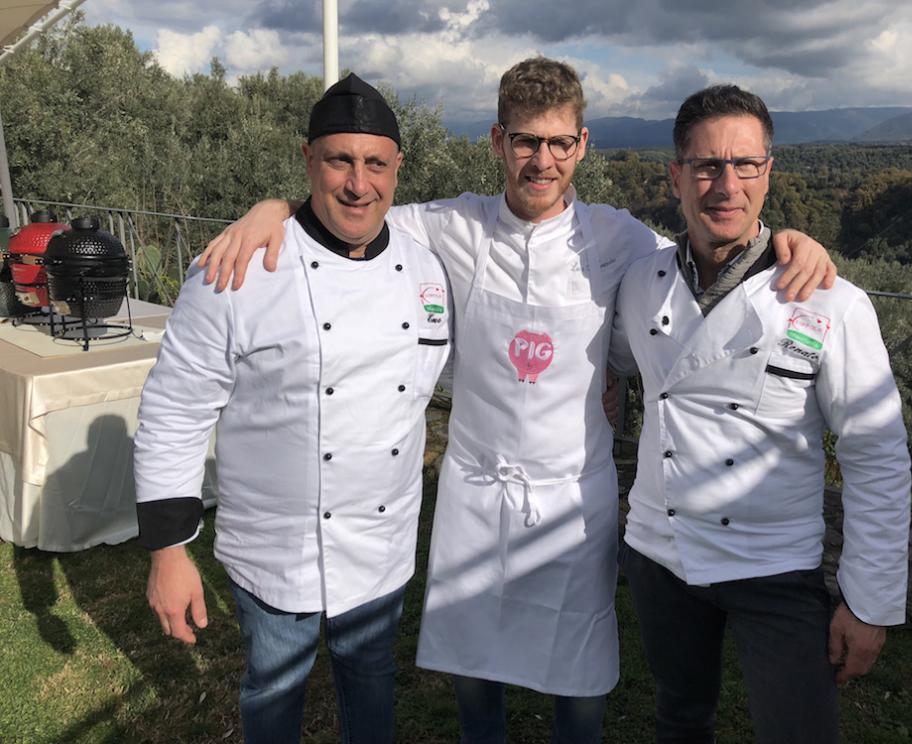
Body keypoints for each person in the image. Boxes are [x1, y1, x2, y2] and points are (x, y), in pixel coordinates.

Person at [197, 59, 836, 743]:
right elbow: (352, 210)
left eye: (560, 143)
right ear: (499, 141)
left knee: (580, 681)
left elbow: (711, 251)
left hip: (573, 498)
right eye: (527, 141)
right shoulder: (450, 226)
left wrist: (788, 245)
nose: (543, 160)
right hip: (476, 491)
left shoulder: (619, 238)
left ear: (582, 146)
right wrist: (275, 209)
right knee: (476, 674)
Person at [133, 74, 451, 744]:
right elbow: (174, 410)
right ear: (308, 159)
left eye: (374, 163)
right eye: (339, 160)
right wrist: (168, 551)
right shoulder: (238, 269)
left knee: (372, 681)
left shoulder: (427, 269)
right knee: (272, 692)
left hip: (381, 551)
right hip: (275, 556)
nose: (358, 184)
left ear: (398, 169)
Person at [609, 84, 911, 744]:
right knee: (679, 715)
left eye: (744, 164)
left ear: (767, 174)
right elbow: (610, 360)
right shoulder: (638, 282)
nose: (726, 184)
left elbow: (877, 456)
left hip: (773, 565)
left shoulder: (832, 303)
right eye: (706, 165)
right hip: (659, 554)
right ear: (676, 176)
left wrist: (869, 602)